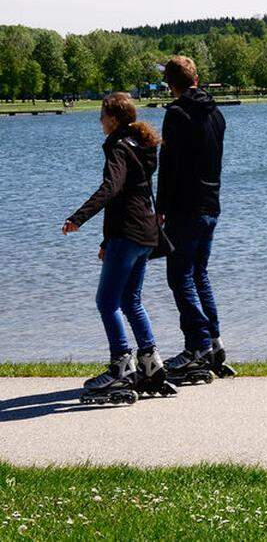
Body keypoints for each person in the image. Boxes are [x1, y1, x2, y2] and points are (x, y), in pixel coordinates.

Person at [62, 93, 173, 402]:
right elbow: (131, 195)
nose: (99, 121)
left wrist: (78, 218)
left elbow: (112, 188)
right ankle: (150, 363)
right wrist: (106, 240)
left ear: (112, 118)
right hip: (145, 233)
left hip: (128, 233)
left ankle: (120, 366)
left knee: (107, 301)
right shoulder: (143, 144)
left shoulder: (118, 146)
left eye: (102, 115)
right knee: (131, 300)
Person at [158, 55, 234, 382]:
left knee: (179, 276)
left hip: (185, 208)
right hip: (211, 204)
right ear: (197, 79)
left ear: (170, 86)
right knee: (198, 273)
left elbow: (169, 165)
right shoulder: (216, 113)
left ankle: (197, 347)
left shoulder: (177, 115)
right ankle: (214, 344)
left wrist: (160, 207)